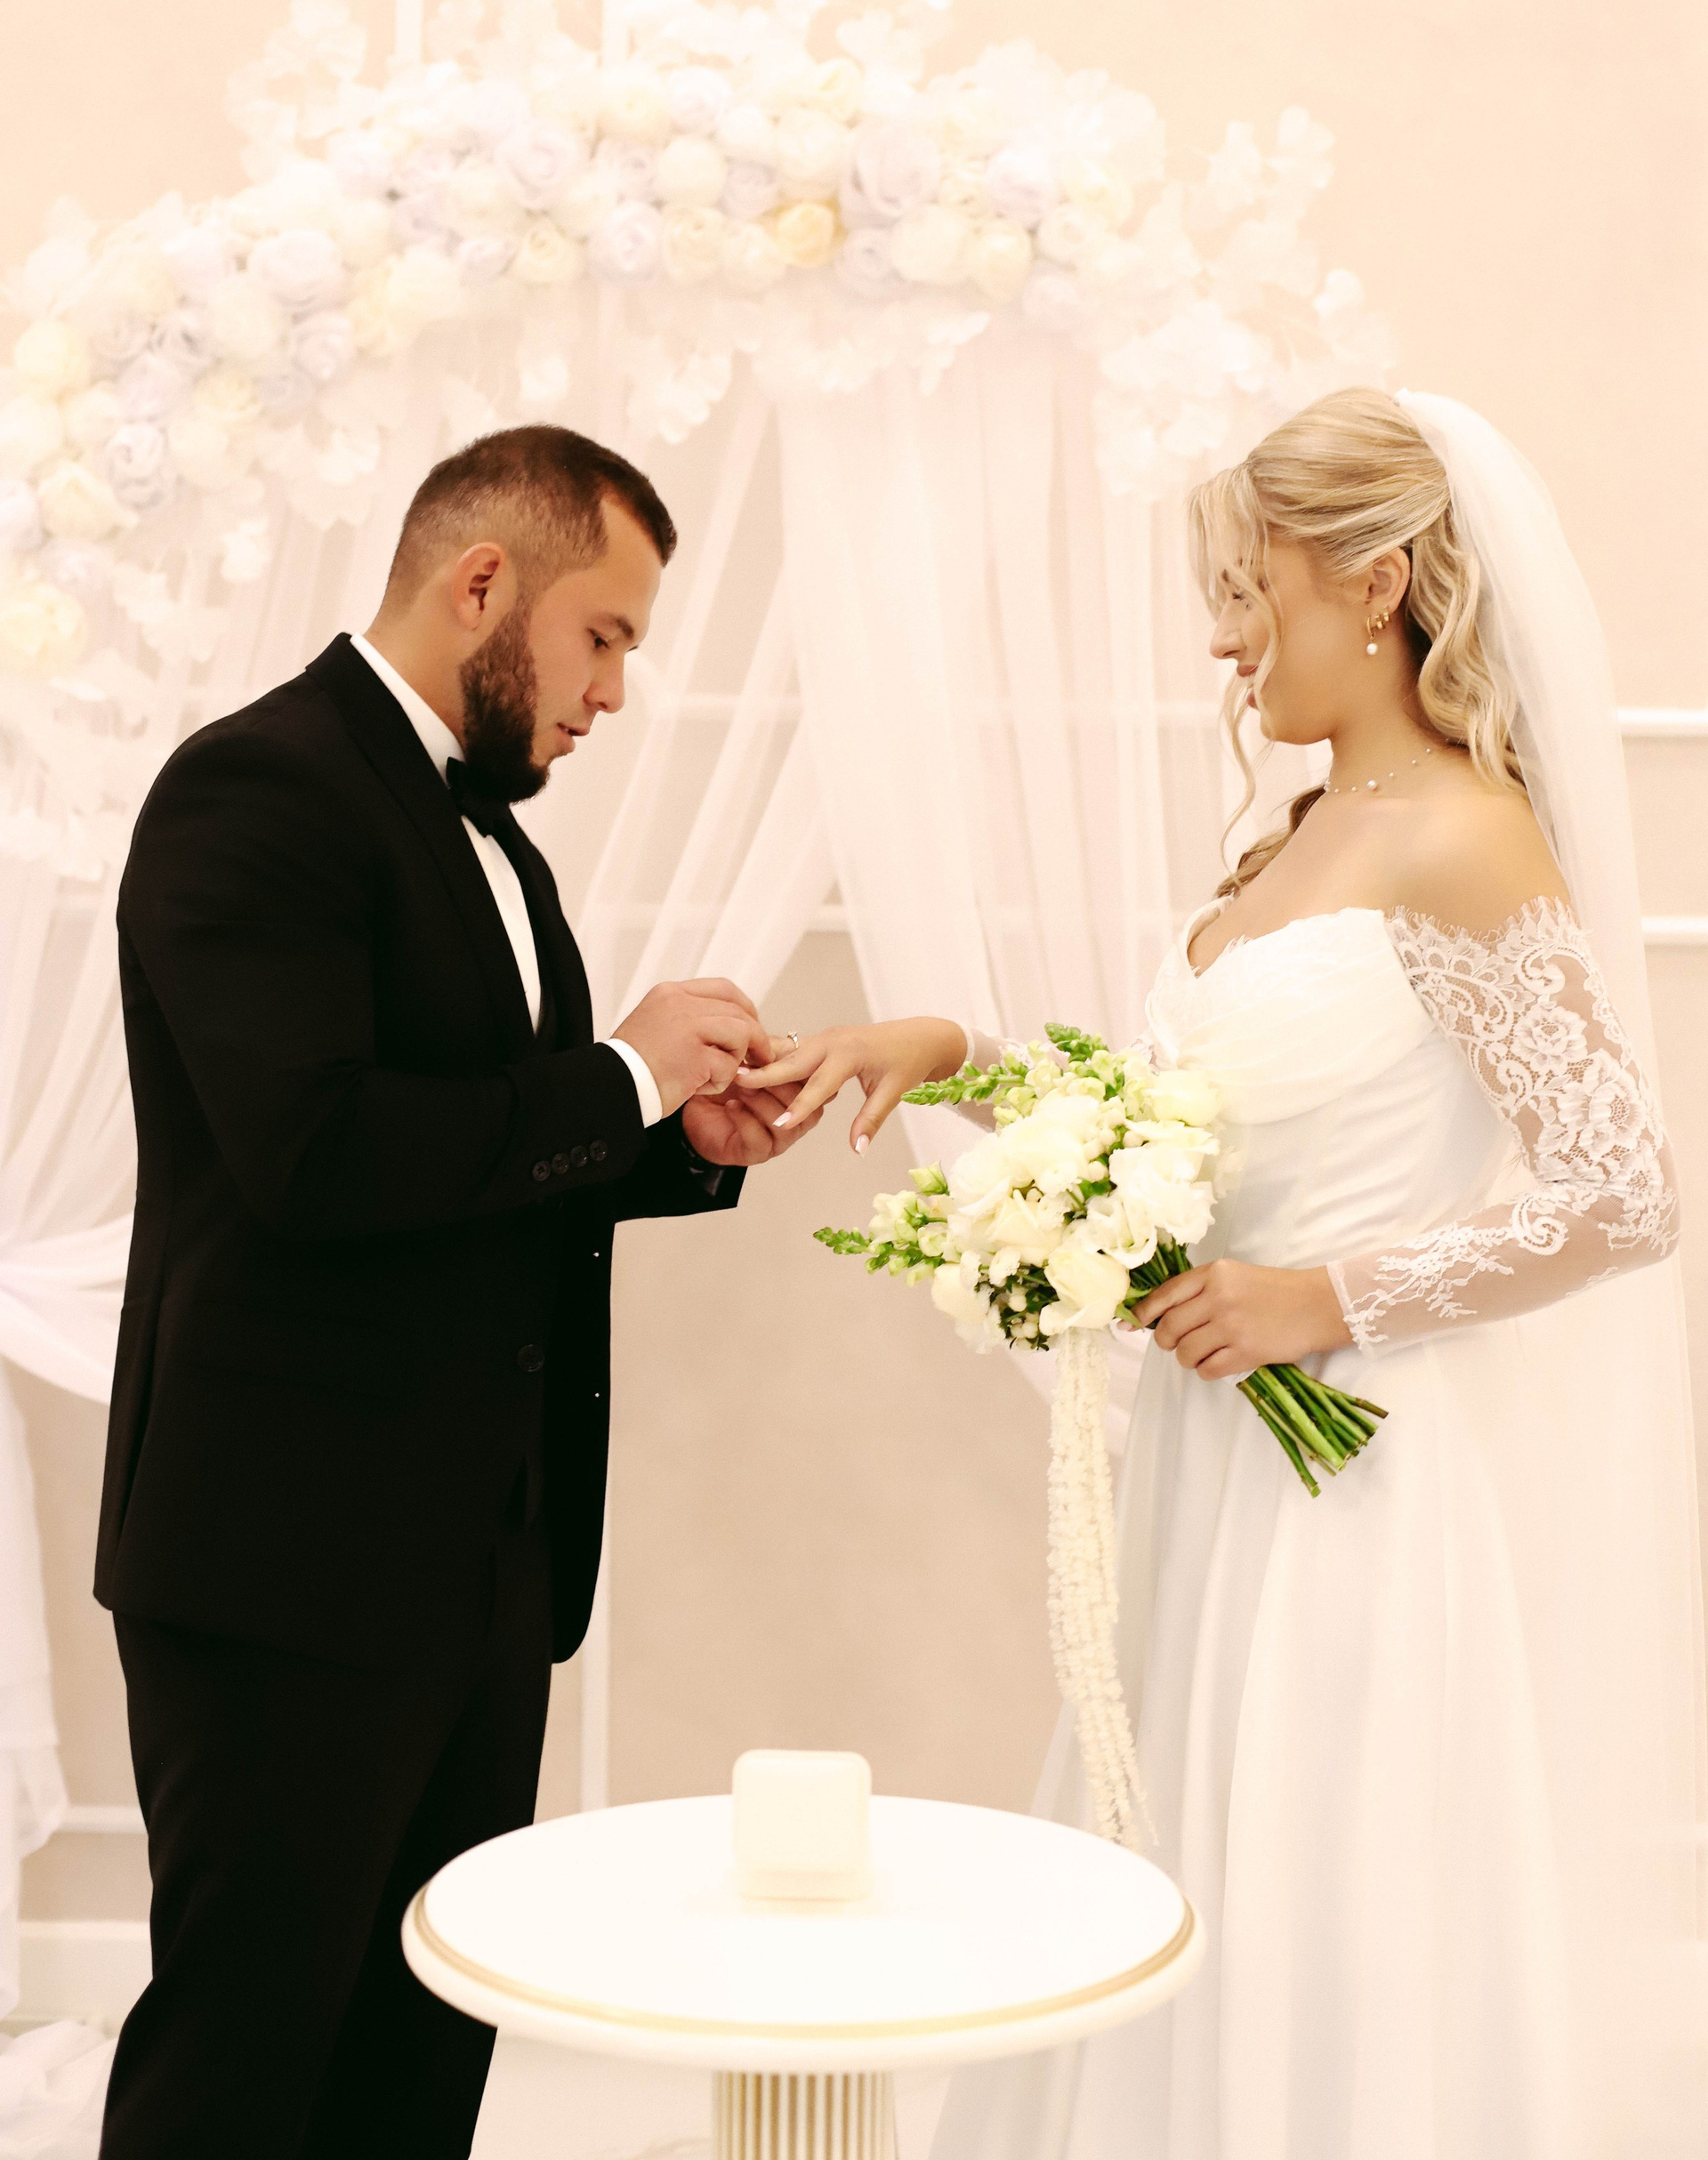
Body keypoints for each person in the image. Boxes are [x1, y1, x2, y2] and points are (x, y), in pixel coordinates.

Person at [744, 388, 1706, 2157]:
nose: (1220, 638)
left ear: (1377, 583)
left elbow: (1622, 1195)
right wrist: (950, 1052)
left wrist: (1317, 1302)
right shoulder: (1298, 833)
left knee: (1320, 1886)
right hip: (1214, 1466)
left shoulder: (1465, 836)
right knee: (1187, 1858)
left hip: (1360, 1483)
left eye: (1247, 591)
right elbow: (1179, 1138)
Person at [94, 425, 809, 2160]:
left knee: (416, 2074)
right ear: (483, 583)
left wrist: (675, 1136)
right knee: (243, 2062)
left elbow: (483, 1165)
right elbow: (317, 1156)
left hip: (478, 1568)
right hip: (285, 1563)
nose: (615, 691)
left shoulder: (499, 843)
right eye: (604, 636)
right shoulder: (254, 789)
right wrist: (619, 1074)